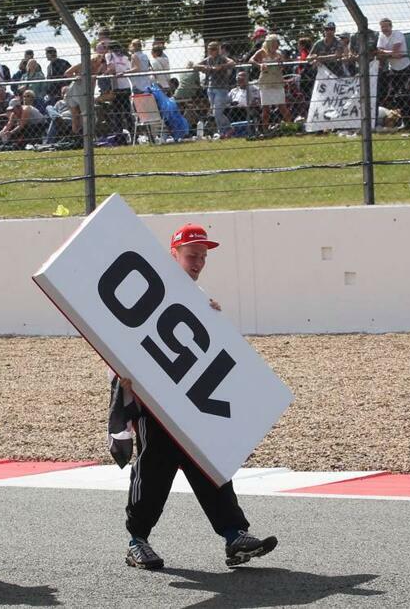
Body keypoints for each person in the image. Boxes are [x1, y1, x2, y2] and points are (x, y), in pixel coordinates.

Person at [110, 224, 278, 570]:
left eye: (203, 256)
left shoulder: (200, 297)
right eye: (192, 255)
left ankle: (234, 535)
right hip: (154, 403)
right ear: (173, 254)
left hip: (192, 401)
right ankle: (136, 541)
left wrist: (213, 318)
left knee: (210, 462)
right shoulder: (150, 289)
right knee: (153, 468)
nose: (199, 261)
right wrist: (122, 384)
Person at [250, 34, 293, 129]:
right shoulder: (261, 52)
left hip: (277, 82)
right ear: (269, 44)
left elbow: (284, 66)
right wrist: (260, 65)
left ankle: (290, 127)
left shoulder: (279, 54)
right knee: (266, 109)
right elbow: (251, 60)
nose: (276, 45)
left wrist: (281, 62)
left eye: (277, 43)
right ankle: (265, 130)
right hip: (265, 83)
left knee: (282, 107)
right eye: (274, 43)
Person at [193, 41, 235, 136]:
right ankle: (224, 131)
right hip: (211, 88)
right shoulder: (208, 60)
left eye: (214, 49)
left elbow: (232, 63)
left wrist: (221, 67)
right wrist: (203, 67)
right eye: (210, 49)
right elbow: (195, 66)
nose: (211, 51)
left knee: (217, 112)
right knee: (216, 112)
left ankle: (227, 129)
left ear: (218, 50)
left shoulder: (222, 58)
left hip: (221, 88)